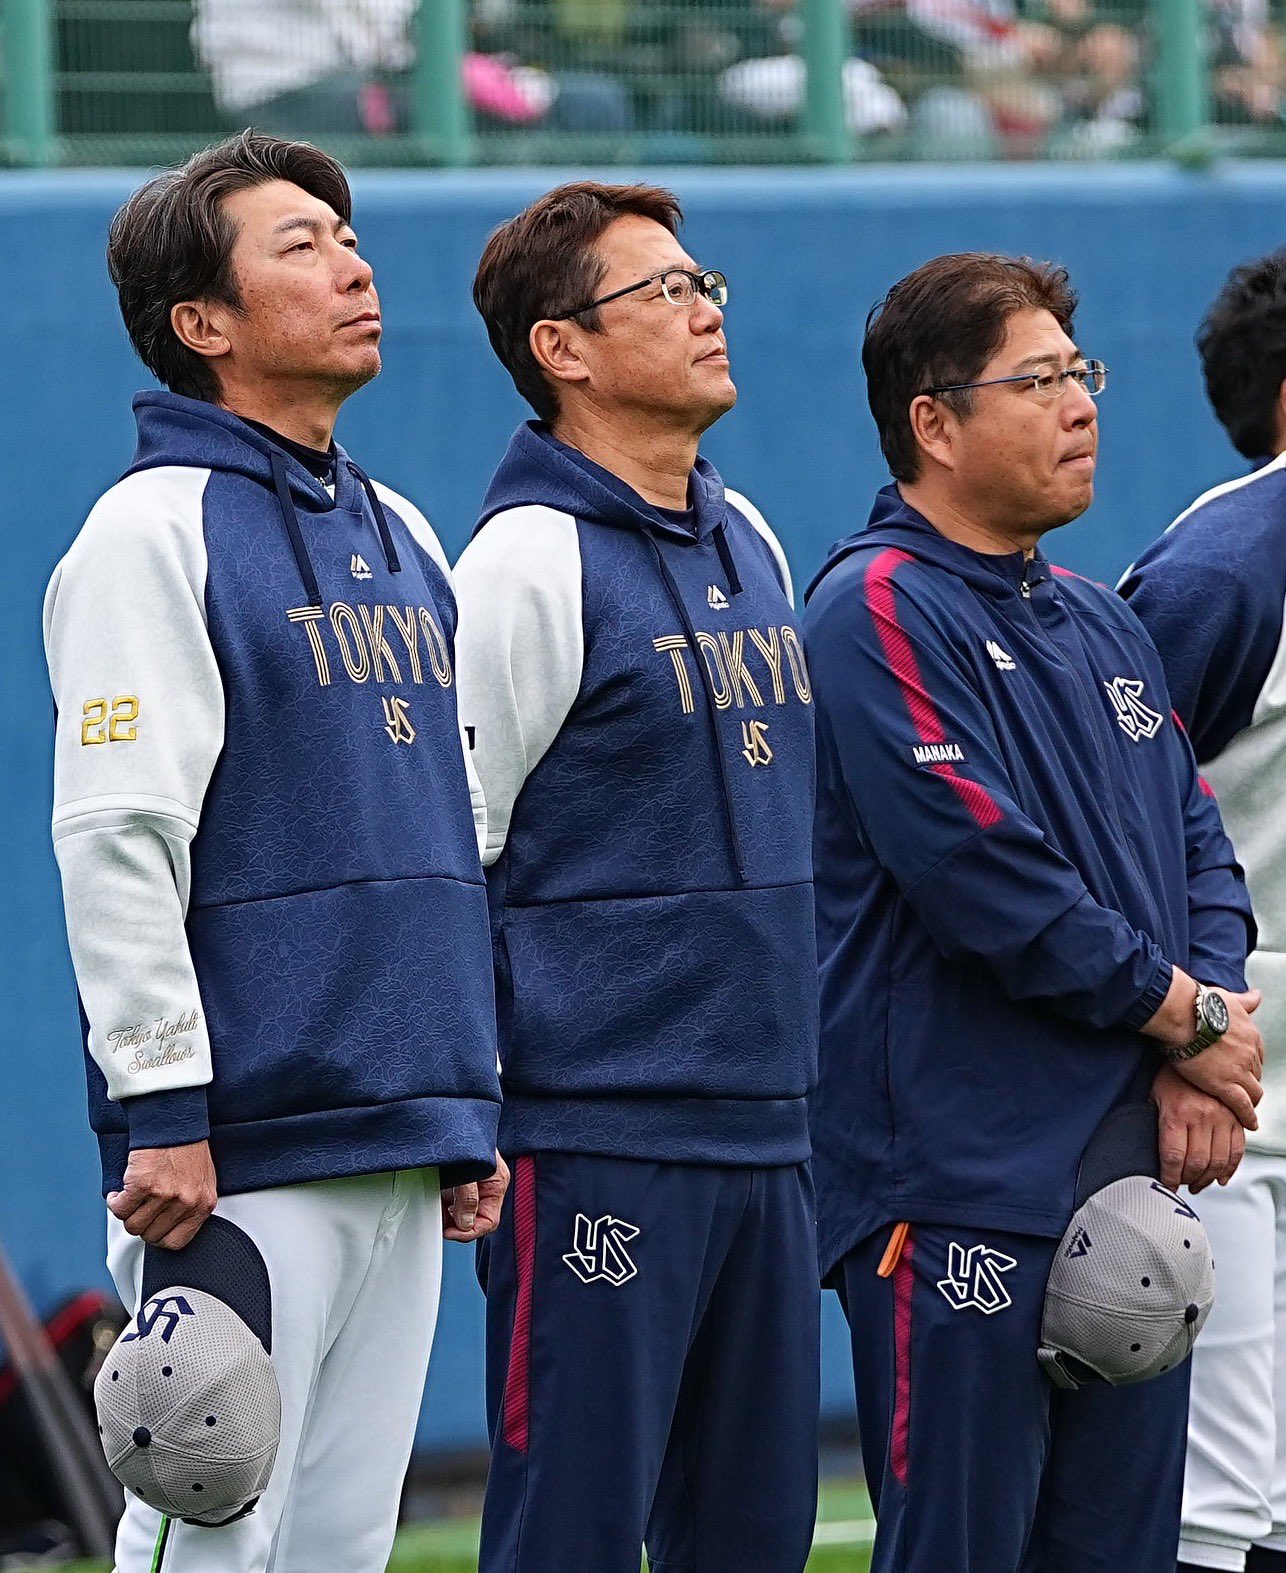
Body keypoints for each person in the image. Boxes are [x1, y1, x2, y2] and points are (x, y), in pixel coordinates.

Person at [43, 130, 506, 1573]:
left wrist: (462, 1096)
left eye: (347, 238)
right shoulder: (150, 531)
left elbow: (449, 832)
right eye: (300, 246)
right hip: (237, 1146)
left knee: (339, 1545)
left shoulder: (404, 530)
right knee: (208, 1523)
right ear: (204, 323)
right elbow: (118, 835)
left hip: (398, 1134)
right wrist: (162, 1103)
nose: (353, 266)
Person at [803, 249, 1263, 1573]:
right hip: (958, 1182)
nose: (1081, 406)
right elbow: (983, 876)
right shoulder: (873, 608)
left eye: (1083, 372)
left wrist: (1193, 1050)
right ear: (934, 422)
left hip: (1128, 1165)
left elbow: (1198, 850)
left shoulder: (1099, 620)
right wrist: (1184, 1015)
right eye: (1040, 379)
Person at [455, 181, 820, 1573]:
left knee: (756, 1537)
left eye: (701, 281)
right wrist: (481, 1106)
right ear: (564, 349)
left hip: (769, 1131)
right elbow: (457, 854)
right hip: (594, 1136)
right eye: (663, 290)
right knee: (575, 1534)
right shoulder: (523, 561)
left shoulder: (751, 536)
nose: (705, 307)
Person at [1120, 248, 1286, 1573]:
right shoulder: (1222, 569)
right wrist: (1182, 1041)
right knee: (1224, 1512)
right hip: (1236, 1099)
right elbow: (1110, 828)